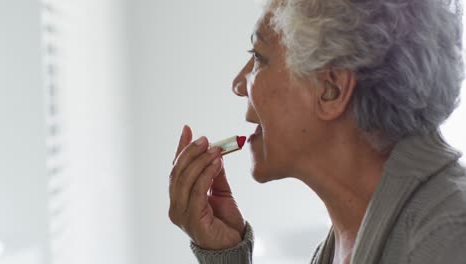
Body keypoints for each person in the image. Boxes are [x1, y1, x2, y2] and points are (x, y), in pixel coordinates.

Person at [168, 0, 466, 263]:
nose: (237, 84)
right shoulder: (341, 241)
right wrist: (227, 257)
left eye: (259, 57)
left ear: (330, 89)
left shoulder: (449, 237)